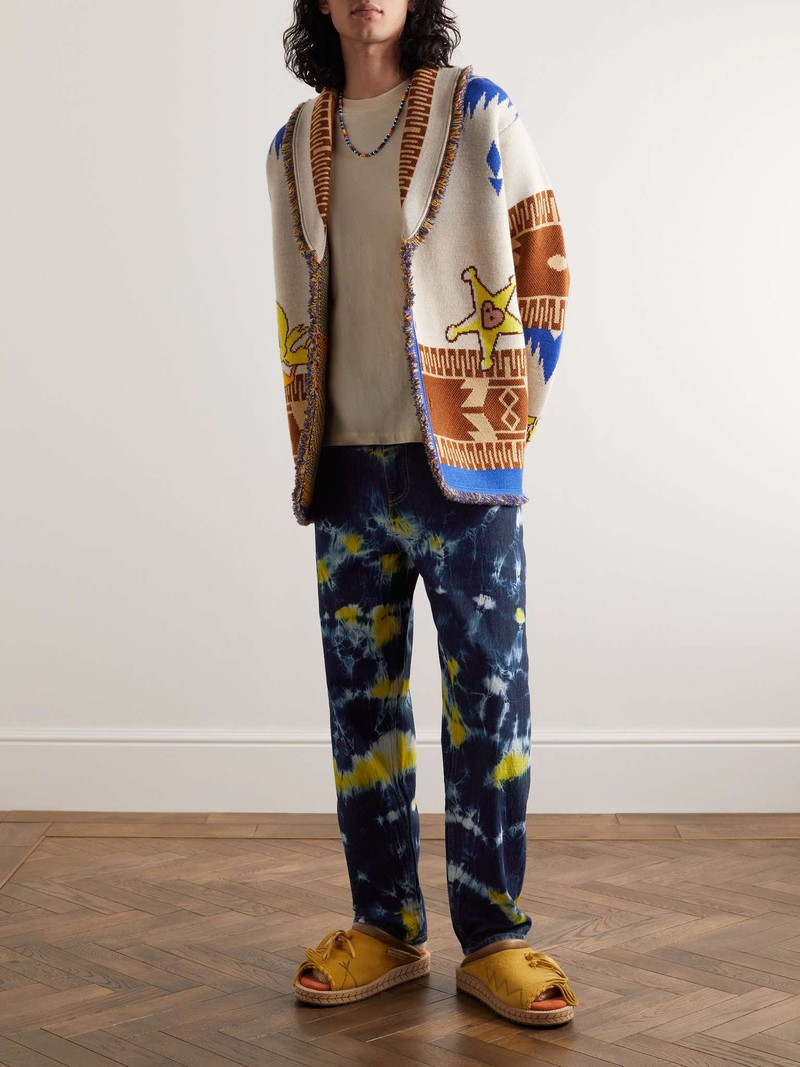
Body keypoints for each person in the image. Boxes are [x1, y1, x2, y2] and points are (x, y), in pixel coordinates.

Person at [266, 0, 577, 1026]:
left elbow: (545, 257)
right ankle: (385, 926)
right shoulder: (290, 146)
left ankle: (495, 936)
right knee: (361, 708)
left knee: (487, 699)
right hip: (344, 470)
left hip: (465, 471)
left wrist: (506, 414)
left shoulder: (477, 110)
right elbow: (294, 306)